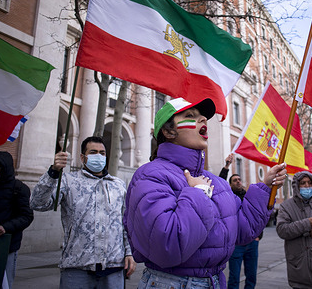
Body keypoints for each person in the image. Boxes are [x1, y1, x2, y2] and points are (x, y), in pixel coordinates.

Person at [123, 97, 287, 289]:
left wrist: (265, 188)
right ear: (168, 132)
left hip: (215, 282)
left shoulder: (217, 182)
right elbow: (166, 245)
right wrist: (199, 193)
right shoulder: (150, 175)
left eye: (203, 117)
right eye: (190, 116)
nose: (202, 120)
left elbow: (242, 231)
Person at [30, 136, 136, 289]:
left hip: (113, 268)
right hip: (77, 267)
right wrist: (53, 173)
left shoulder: (118, 185)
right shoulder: (68, 181)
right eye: (93, 152)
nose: (98, 156)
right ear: (83, 157)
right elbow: (38, 204)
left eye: (102, 153)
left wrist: (129, 252)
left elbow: (125, 222)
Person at [219, 155, 261, 289]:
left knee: (251, 276)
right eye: (235, 180)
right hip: (236, 244)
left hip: (251, 242)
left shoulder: (248, 196)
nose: (238, 181)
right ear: (230, 184)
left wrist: (259, 235)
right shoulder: (228, 195)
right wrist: (226, 167)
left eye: (239, 179)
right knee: (234, 277)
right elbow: (219, 181)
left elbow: (258, 216)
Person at [0, 151, 34, 289]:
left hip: (6, 246)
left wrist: (5, 227)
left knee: (3, 283)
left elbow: (26, 216)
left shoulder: (19, 188)